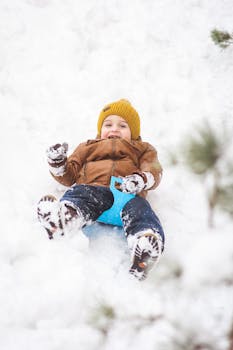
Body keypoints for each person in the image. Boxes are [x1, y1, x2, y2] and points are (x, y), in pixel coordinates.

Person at [37, 99, 165, 280]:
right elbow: (70, 175)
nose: (114, 129)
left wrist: (141, 179)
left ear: (133, 133)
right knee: (81, 194)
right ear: (100, 129)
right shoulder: (87, 147)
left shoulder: (142, 149)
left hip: (127, 196)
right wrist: (58, 164)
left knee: (141, 211)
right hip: (94, 192)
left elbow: (154, 170)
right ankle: (65, 219)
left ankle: (144, 245)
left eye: (122, 125)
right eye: (108, 124)